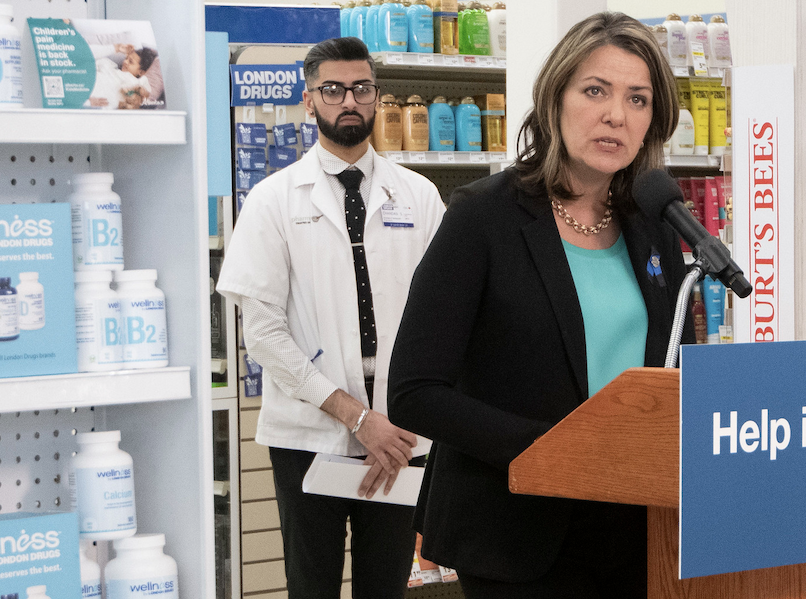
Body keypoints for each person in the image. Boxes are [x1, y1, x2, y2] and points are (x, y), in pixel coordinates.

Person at [388, 12, 691, 597]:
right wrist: (556, 449)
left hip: (634, 525)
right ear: (555, 99)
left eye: (638, 99)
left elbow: (677, 371)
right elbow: (415, 390)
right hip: (516, 530)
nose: (615, 115)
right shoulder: (483, 216)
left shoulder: (653, 224)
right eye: (595, 91)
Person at [217, 36, 445, 599]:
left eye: (362, 88)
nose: (350, 99)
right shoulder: (273, 200)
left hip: (399, 434)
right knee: (311, 584)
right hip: (308, 434)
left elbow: (445, 318)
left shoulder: (418, 197)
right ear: (309, 99)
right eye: (333, 89)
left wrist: (394, 421)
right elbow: (264, 334)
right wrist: (355, 416)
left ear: (376, 96)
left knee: (386, 585)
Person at [86, 44, 156, 109]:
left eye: (131, 62)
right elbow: (84, 55)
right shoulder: (109, 65)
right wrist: (117, 48)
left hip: (89, 99)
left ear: (141, 72)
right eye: (126, 58)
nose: (125, 62)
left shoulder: (134, 84)